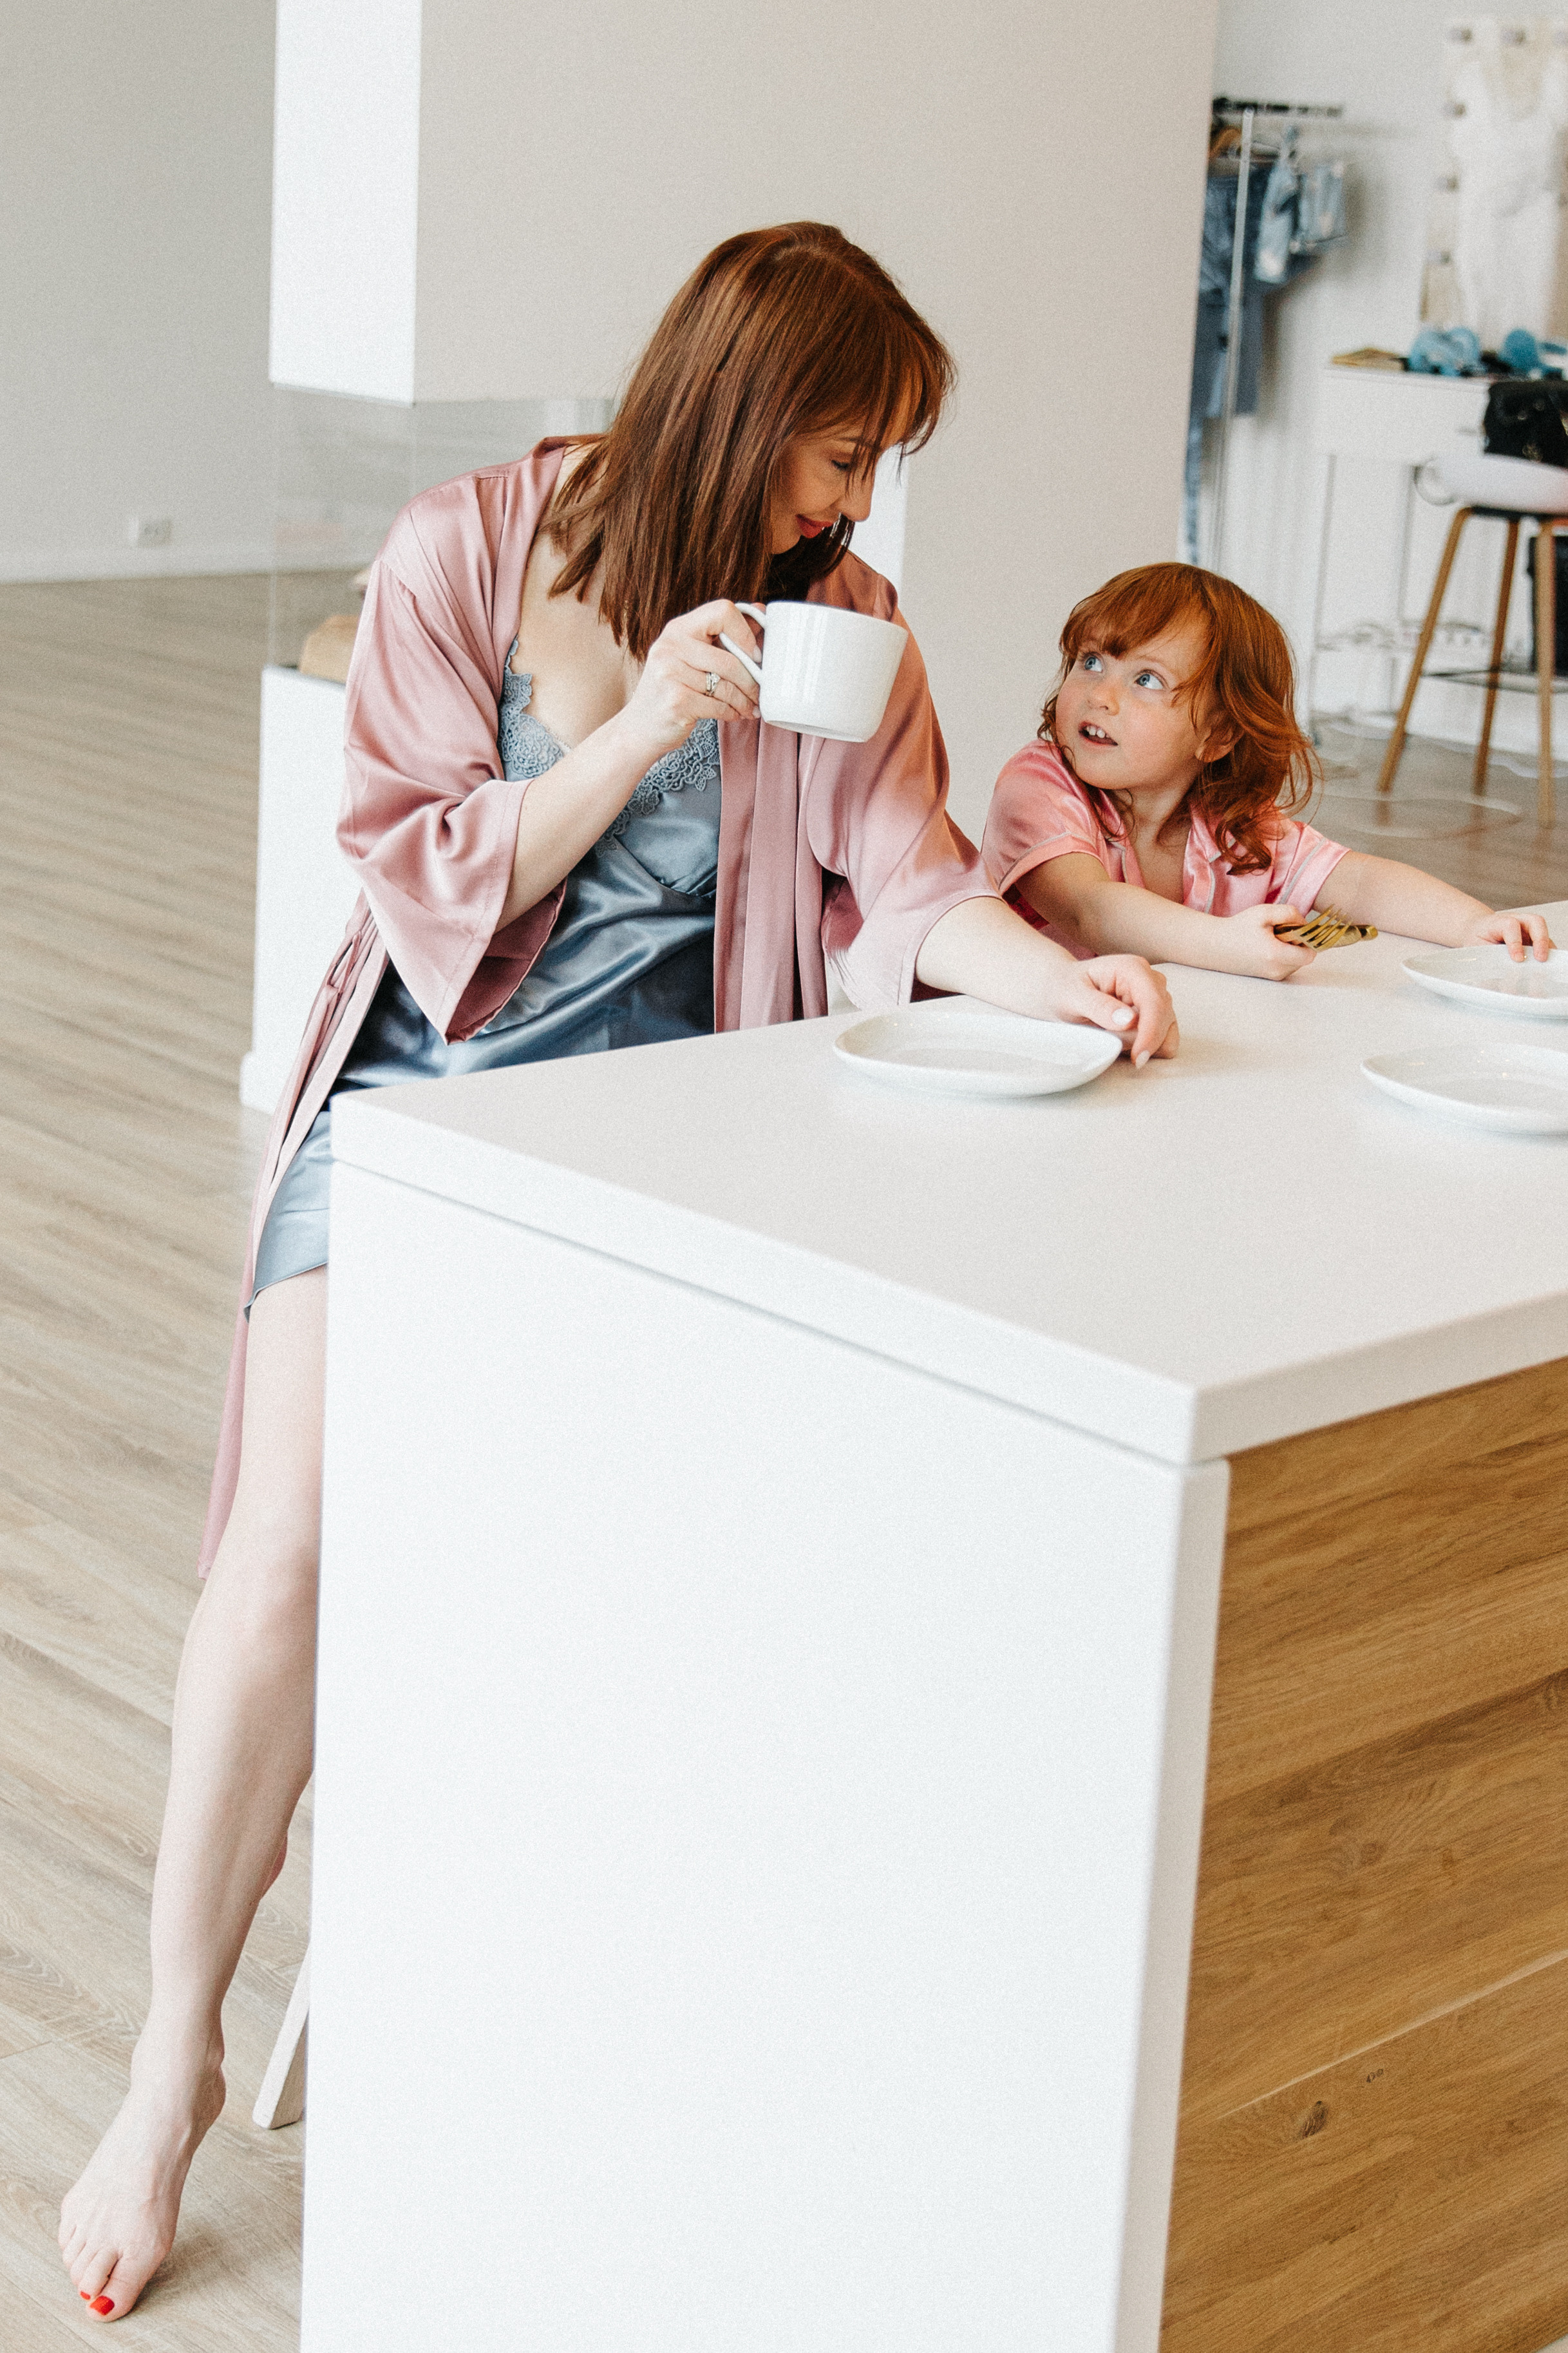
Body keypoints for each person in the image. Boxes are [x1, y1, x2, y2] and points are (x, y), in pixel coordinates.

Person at [58, 222, 1178, 2321]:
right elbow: (404, 864)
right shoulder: (462, 550)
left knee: (696, 1573)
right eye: (841, 454)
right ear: (743, 405)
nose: (855, 508)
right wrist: (641, 722)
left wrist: (1066, 986)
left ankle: (612, 2026)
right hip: (420, 1102)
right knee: (287, 1556)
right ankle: (170, 2057)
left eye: (876, 470)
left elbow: (912, 880)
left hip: (654, 1155)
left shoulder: (851, 623)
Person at [983, 562, 1556, 974]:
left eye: (1145, 679)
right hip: (1027, 1045)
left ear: (1218, 734)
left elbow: (1356, 880)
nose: (1100, 695)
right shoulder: (1038, 785)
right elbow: (1091, 911)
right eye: (1090, 662)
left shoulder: (1232, 825)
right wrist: (1227, 946)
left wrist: (1470, 926)